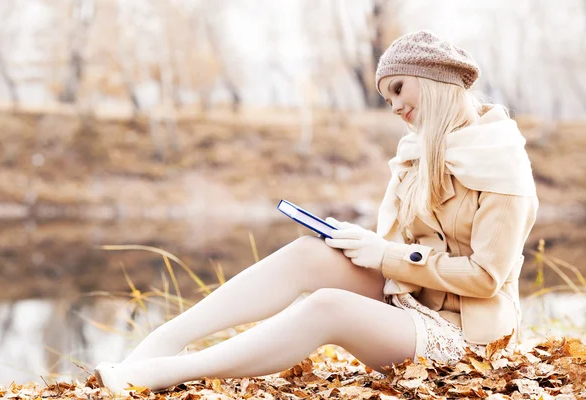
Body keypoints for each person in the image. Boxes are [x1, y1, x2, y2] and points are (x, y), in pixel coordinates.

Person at [94, 30, 538, 394]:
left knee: (329, 307)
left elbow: (486, 277)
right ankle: (166, 339)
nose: (396, 107)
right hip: (414, 299)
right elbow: (408, 247)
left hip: (471, 338)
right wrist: (361, 244)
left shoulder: (500, 159)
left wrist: (384, 256)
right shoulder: (418, 153)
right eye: (387, 99)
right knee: (309, 252)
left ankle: (169, 372)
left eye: (399, 89)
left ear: (436, 79)